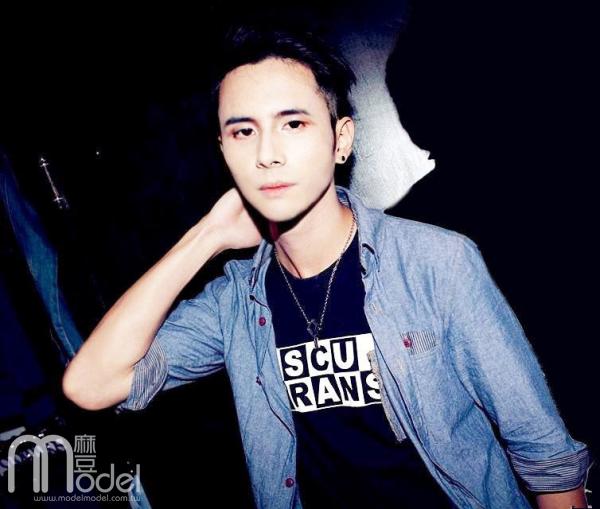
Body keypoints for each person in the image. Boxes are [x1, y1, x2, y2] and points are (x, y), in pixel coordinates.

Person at [62, 25, 591, 508]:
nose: (267, 154)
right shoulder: (235, 303)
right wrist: (206, 237)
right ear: (223, 150)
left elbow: (546, 456)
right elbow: (90, 384)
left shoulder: (434, 262)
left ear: (341, 140)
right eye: (243, 132)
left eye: (293, 123)